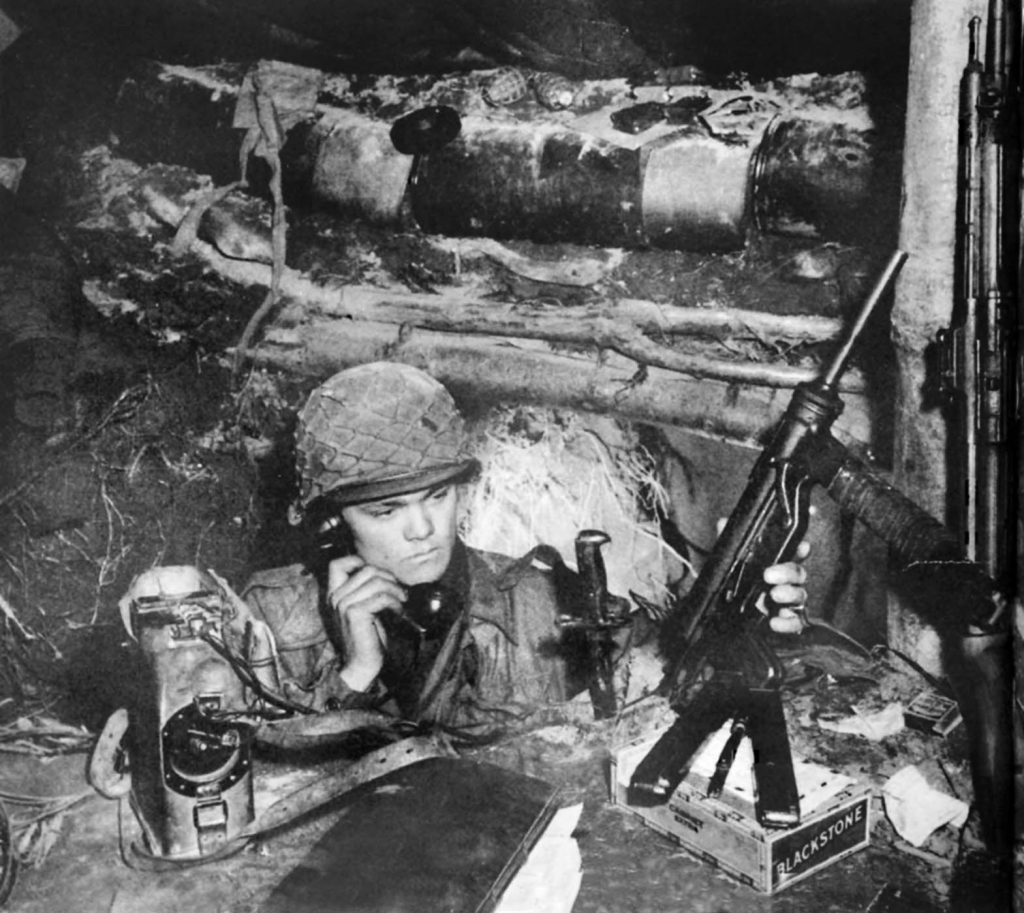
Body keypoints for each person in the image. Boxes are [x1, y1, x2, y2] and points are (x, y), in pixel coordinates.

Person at [232, 361, 810, 732]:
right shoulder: (269, 622)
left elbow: (670, 676)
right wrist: (356, 674)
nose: (421, 530)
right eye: (385, 511)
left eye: (436, 497)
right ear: (331, 526)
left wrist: (741, 623)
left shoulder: (537, 599)